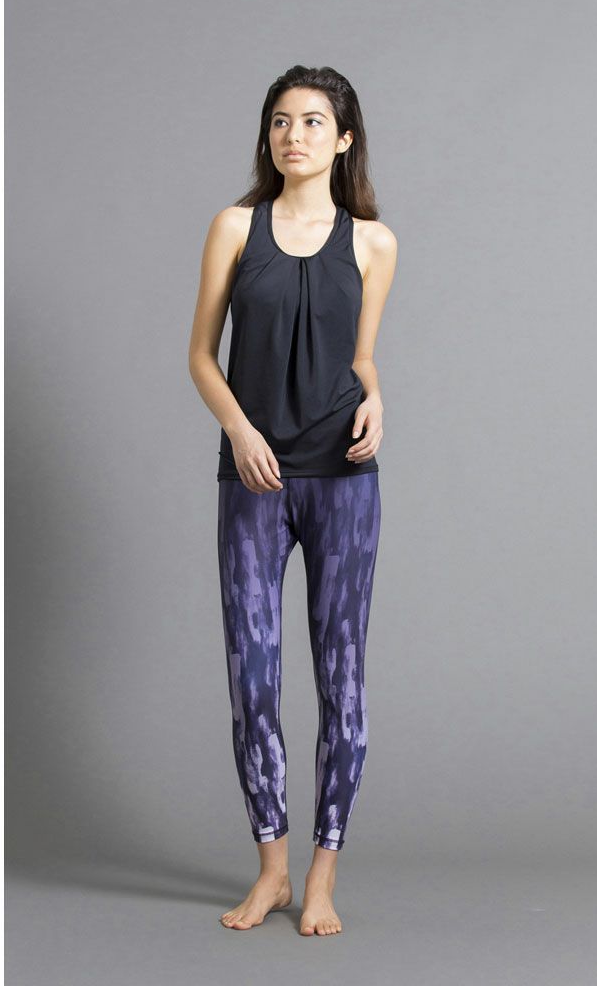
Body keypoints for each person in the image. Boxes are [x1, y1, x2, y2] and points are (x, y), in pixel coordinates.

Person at [188, 65, 398, 936]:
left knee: (342, 679)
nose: (294, 135)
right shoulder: (235, 227)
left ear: (344, 140)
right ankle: (271, 870)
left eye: (313, 121)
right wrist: (240, 432)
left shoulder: (374, 242)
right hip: (255, 478)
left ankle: (321, 877)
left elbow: (360, 358)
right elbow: (201, 355)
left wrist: (377, 397)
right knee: (254, 678)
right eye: (281, 120)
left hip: (344, 477)